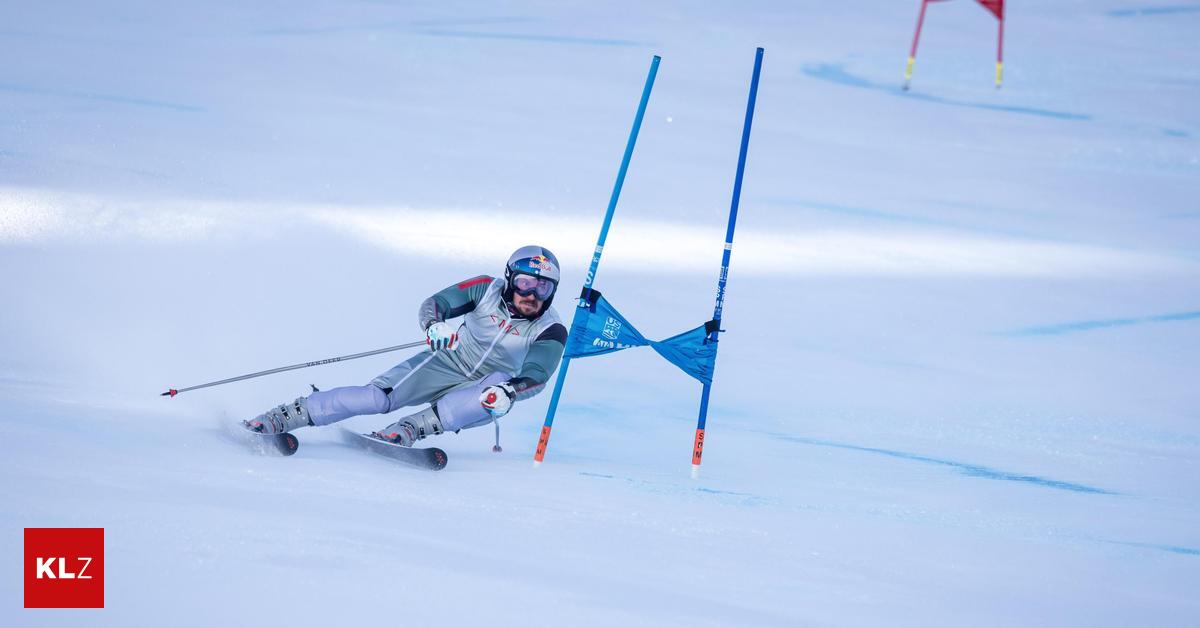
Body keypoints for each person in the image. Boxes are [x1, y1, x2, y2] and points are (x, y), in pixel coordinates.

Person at [244, 245, 567, 448]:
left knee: (495, 392)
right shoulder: (485, 289)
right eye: (525, 282)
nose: (532, 294)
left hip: (490, 384)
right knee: (376, 397)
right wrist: (435, 325)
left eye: (543, 286)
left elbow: (538, 372)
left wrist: (512, 391)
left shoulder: (550, 327)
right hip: (449, 360)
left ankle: (409, 430)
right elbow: (438, 302)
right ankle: (286, 415)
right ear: (511, 279)